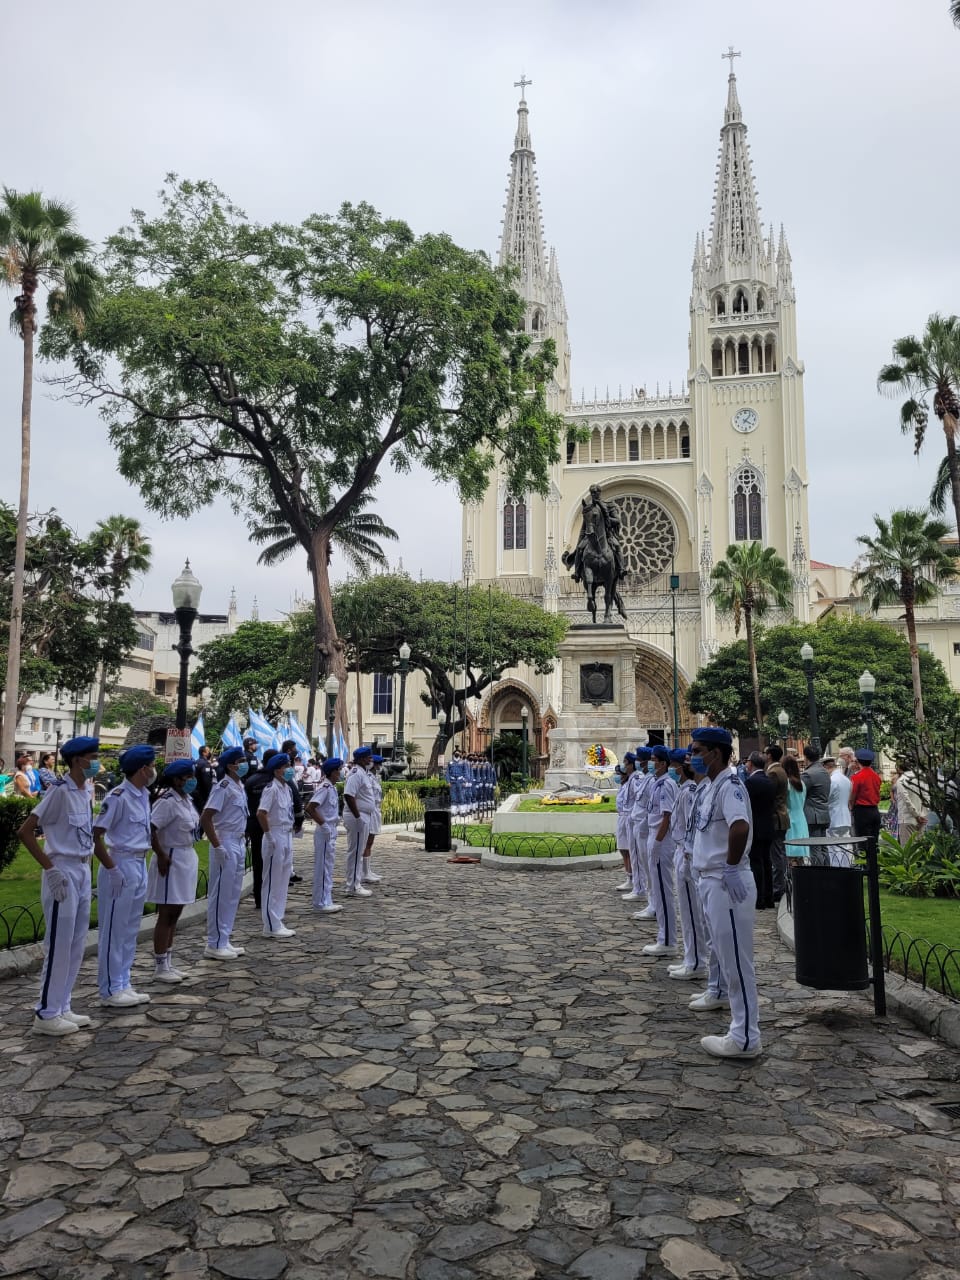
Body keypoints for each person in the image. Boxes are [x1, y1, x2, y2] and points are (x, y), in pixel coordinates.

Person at [18, 736, 107, 1035]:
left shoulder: (86, 791)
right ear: (77, 760)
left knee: (76, 942)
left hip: (81, 868)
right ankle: (45, 1013)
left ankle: (62, 1004)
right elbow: (26, 831)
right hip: (63, 870)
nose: (96, 761)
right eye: (92, 756)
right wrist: (50, 868)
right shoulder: (59, 791)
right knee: (58, 943)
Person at [689, 726, 761, 1059]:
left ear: (715, 753)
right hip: (713, 881)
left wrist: (731, 866)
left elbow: (740, 826)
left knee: (737, 963)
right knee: (725, 956)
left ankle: (745, 1037)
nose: (693, 756)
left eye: (698, 750)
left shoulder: (730, 786)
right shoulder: (711, 786)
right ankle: (741, 1029)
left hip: (725, 881)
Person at [93, 744, 157, 1009]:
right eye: (152, 765)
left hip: (139, 862)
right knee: (113, 930)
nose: (154, 770)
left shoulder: (142, 794)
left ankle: (123, 981)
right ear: (142, 769)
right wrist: (112, 869)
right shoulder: (118, 796)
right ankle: (109, 988)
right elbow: (96, 835)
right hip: (119, 863)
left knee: (130, 928)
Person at [146, 760, 200, 983]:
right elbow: (151, 828)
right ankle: (160, 965)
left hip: (186, 855)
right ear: (177, 780)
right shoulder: (167, 802)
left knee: (176, 913)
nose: (191, 780)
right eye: (187, 777)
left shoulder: (187, 800)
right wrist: (160, 854)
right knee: (166, 913)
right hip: (171, 857)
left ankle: (168, 961)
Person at [201, 746, 249, 960]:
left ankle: (224, 938)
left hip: (238, 840)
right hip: (226, 840)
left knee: (232, 894)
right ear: (231, 765)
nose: (245, 764)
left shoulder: (239, 785)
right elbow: (206, 817)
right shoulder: (223, 787)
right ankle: (214, 942)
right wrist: (217, 845)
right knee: (220, 893)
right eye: (241, 761)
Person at [667, 749, 708, 980]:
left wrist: (686, 851)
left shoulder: (691, 790)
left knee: (693, 913)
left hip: (688, 854)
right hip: (683, 851)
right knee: (688, 912)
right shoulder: (687, 789)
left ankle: (696, 962)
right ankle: (690, 958)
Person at [642, 745, 679, 958]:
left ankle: (667, 940)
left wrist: (657, 842)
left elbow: (667, 815)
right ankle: (664, 936)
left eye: (654, 759)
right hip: (656, 837)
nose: (651, 762)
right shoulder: (658, 783)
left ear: (663, 763)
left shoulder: (666, 785)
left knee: (663, 892)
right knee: (657, 888)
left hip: (661, 840)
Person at [258, 752, 297, 938]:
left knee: (282, 880)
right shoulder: (271, 788)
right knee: (272, 880)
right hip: (274, 834)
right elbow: (261, 813)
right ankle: (270, 923)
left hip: (286, 833)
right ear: (277, 769)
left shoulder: (287, 788)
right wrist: (268, 835)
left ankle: (277, 919)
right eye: (286, 766)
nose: (290, 769)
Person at [307, 756, 344, 913]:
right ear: (333, 772)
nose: (340, 773)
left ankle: (326, 898)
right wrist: (323, 825)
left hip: (330, 829)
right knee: (323, 868)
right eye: (339, 770)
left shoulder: (332, 787)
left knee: (328, 867)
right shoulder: (325, 788)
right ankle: (321, 902)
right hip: (325, 831)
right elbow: (310, 807)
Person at [744, 751, 776, 909]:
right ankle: (769, 897)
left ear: (751, 763)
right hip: (768, 826)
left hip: (755, 827)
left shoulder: (751, 782)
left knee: (756, 862)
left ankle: (759, 897)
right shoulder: (768, 781)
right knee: (766, 861)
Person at [343, 746, 377, 896]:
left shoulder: (363, 773)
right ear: (362, 759)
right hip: (358, 815)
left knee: (358, 850)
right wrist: (357, 817)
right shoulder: (356, 774)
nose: (371, 760)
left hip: (364, 815)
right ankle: (353, 886)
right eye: (369, 757)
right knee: (355, 852)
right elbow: (349, 795)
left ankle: (355, 883)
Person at [626, 746, 654, 912]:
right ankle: (640, 889)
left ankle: (648, 897)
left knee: (648, 867)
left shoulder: (649, 780)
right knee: (638, 859)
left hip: (645, 826)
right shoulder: (645, 778)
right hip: (638, 822)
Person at [763, 744, 790, 902]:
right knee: (780, 853)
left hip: (776, 817)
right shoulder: (779, 769)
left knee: (776, 855)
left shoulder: (773, 772)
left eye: (765, 753)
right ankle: (781, 885)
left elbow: (770, 796)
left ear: (769, 755)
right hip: (780, 815)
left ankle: (778, 888)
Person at [849, 747, 882, 854]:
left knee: (862, 841)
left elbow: (853, 795)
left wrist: (851, 807)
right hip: (875, 810)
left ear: (858, 761)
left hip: (862, 811)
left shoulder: (857, 777)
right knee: (874, 840)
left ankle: (865, 866)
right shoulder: (876, 776)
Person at [801, 744, 831, 851]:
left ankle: (817, 868)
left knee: (815, 849)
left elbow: (800, 792)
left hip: (813, 817)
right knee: (824, 848)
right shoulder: (824, 772)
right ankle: (826, 868)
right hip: (824, 813)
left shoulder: (808, 774)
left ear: (806, 757)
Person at [615, 753, 637, 890]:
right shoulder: (624, 786)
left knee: (629, 850)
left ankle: (632, 877)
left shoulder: (633, 782)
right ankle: (628, 876)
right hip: (622, 817)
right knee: (623, 849)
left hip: (629, 817)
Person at [825, 756, 853, 863]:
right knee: (846, 845)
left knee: (834, 846)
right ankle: (847, 867)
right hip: (845, 817)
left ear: (827, 767)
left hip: (834, 816)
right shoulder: (846, 780)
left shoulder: (832, 780)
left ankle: (837, 869)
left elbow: (827, 798)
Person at [783, 753, 809, 861]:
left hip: (790, 819)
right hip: (801, 819)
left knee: (791, 853)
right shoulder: (802, 783)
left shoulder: (787, 783)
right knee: (800, 853)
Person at [363, 755, 384, 884]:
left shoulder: (374, 777)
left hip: (375, 809)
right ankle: (364, 872)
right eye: (377, 764)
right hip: (370, 810)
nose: (379, 766)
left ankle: (368, 870)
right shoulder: (367, 777)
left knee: (370, 842)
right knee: (367, 841)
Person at [896, 764, 927, 846]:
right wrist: (923, 814)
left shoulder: (901, 780)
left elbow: (907, 800)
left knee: (907, 851)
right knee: (919, 849)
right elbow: (927, 797)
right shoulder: (922, 778)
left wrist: (917, 815)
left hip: (907, 818)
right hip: (922, 818)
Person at [194, 745, 216, 813]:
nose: (210, 753)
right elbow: (207, 782)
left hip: (196, 791)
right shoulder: (205, 764)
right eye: (208, 751)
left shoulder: (197, 761)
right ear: (204, 753)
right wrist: (211, 793)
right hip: (203, 794)